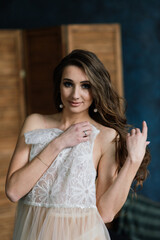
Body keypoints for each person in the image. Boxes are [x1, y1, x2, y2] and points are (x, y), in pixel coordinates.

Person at [5, 49, 150, 240]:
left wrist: (133, 161)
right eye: (68, 84)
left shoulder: (106, 136)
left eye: (85, 86)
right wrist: (60, 142)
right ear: (58, 86)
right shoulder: (35, 123)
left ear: (96, 89)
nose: (75, 94)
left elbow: (105, 213)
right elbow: (13, 191)